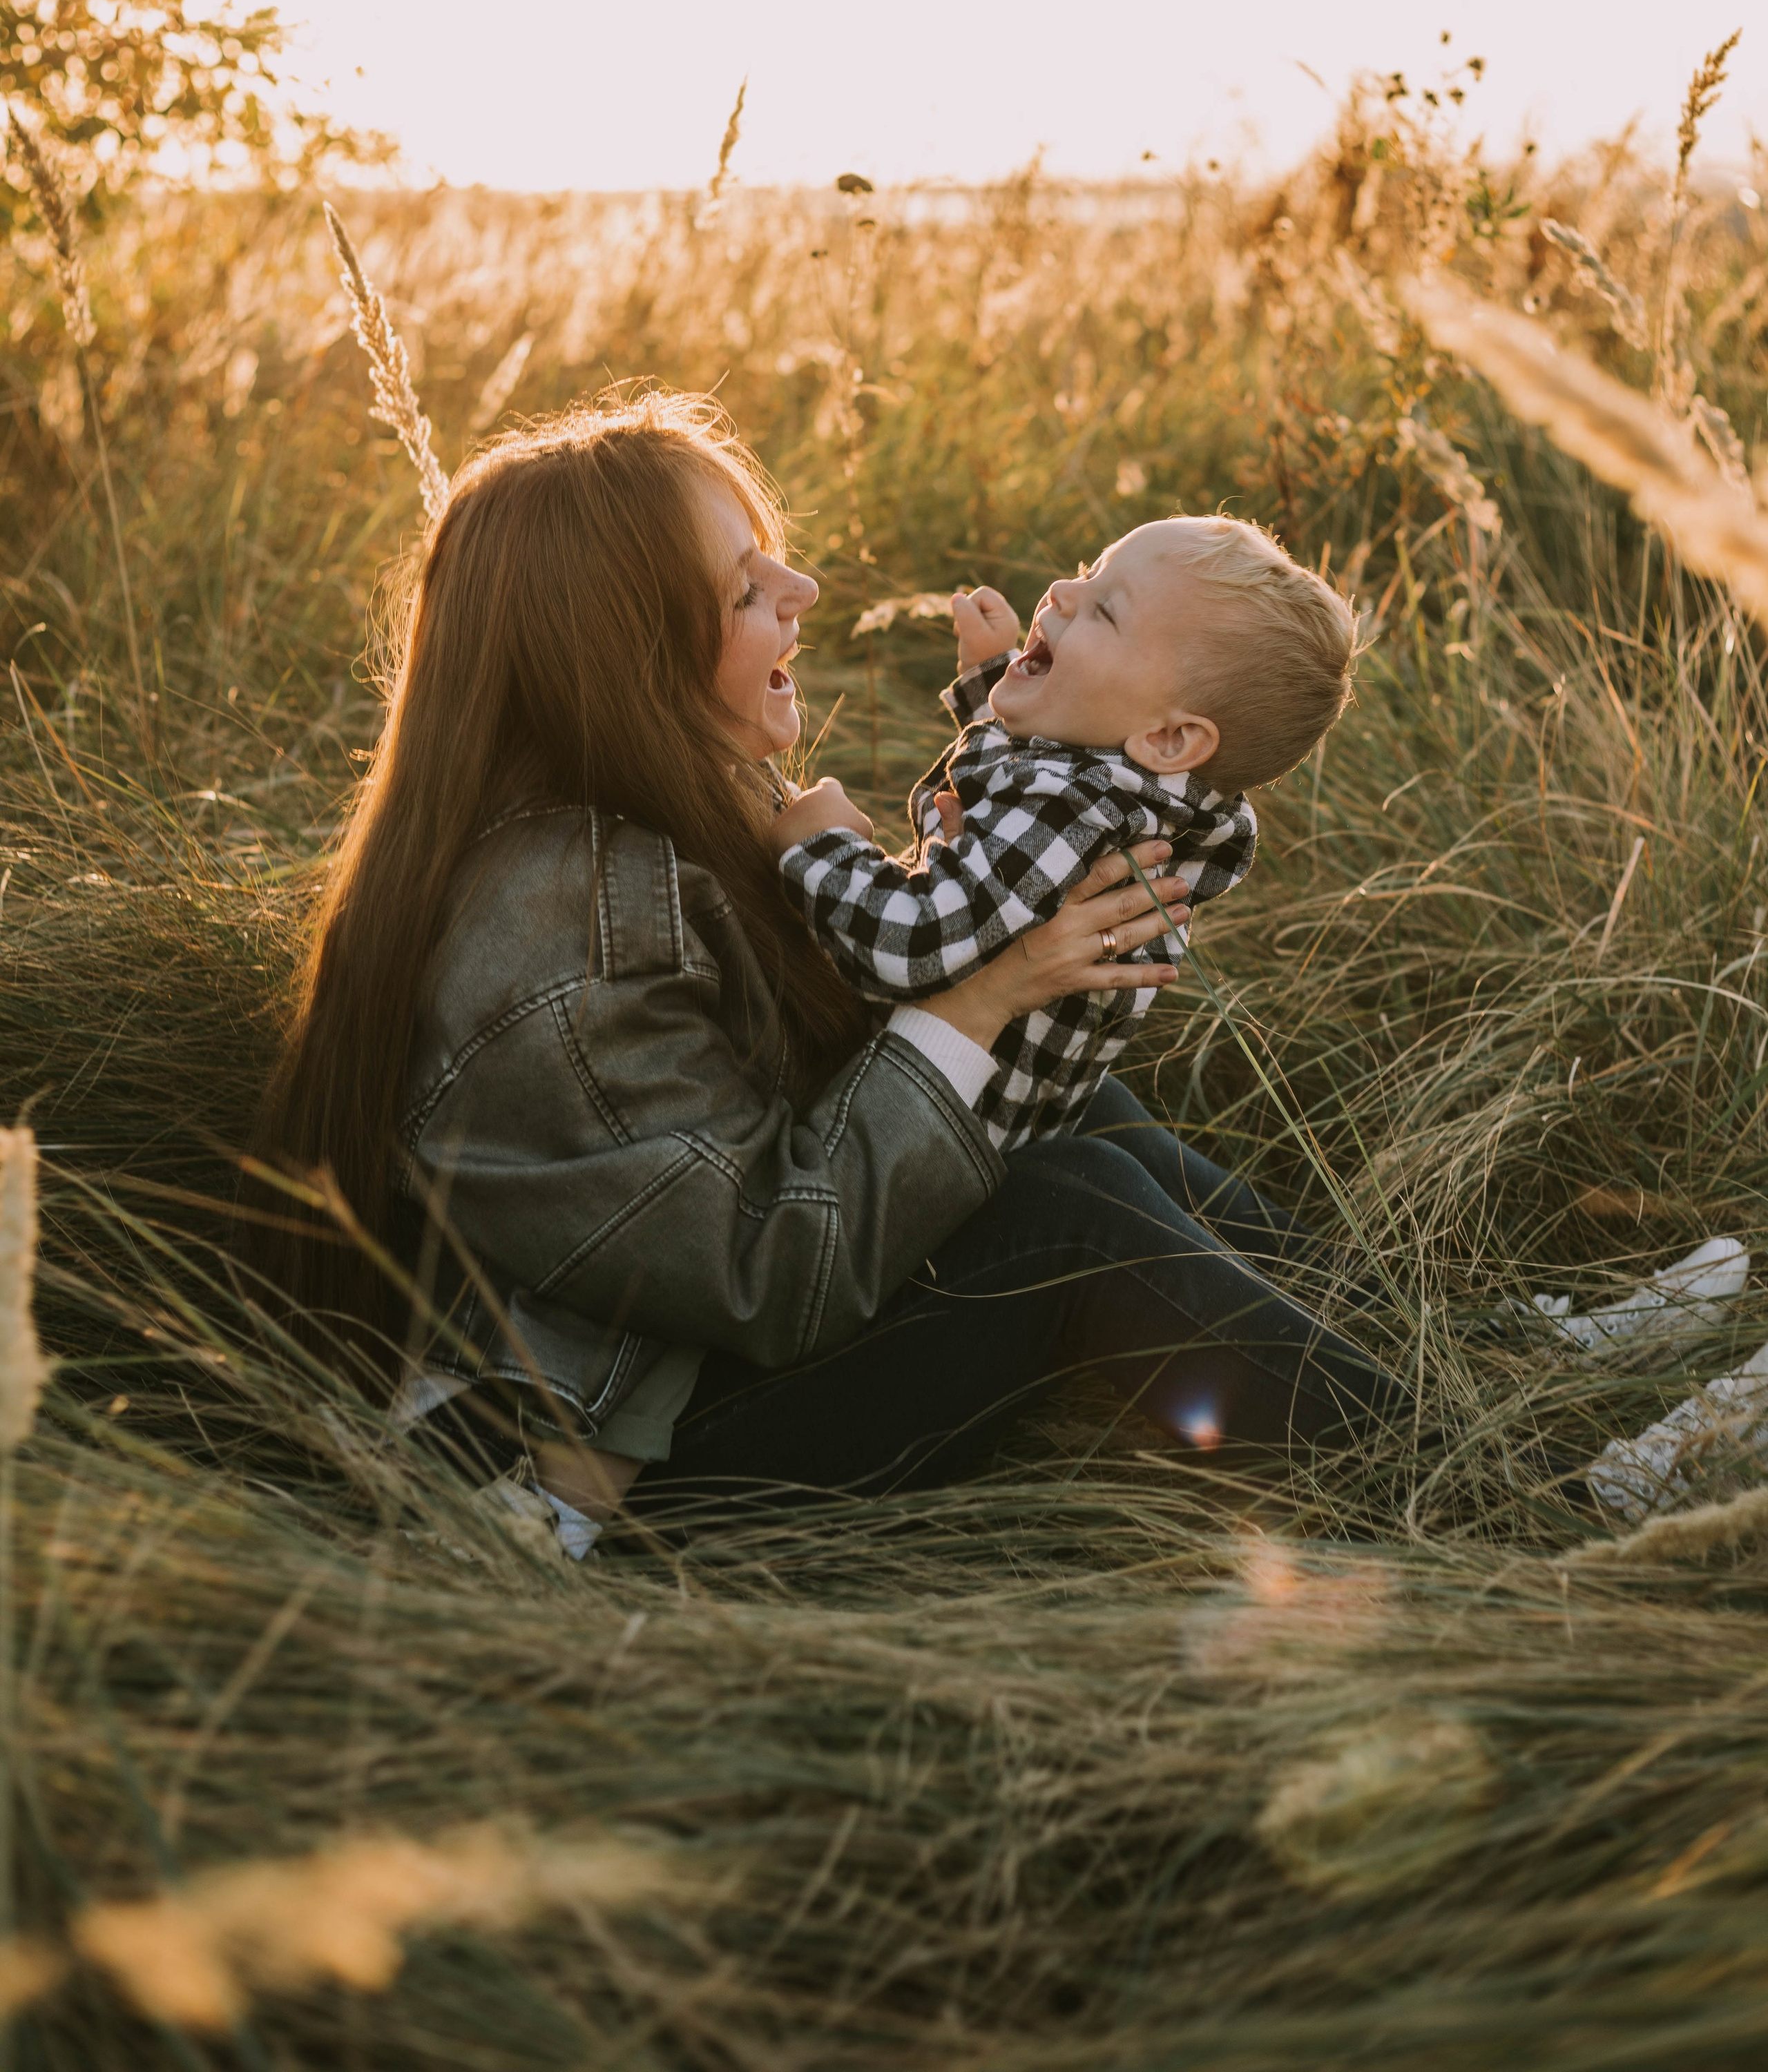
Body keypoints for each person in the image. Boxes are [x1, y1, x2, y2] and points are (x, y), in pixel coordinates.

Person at [252, 391, 1411, 1551]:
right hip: (613, 1459)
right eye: (747, 590)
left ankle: (1440, 1352)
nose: (799, 592)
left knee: (1089, 1126)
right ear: (628, 659)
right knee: (1073, 1213)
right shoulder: (575, 921)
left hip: (690, 1361)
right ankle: (1440, 1468)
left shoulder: (667, 818)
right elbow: (767, 1268)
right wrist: (983, 995)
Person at [771, 516, 1350, 1152]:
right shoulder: (1128, 786)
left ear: (1168, 739)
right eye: (1087, 572)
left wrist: (821, 845)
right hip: (1017, 1120)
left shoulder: (1073, 813)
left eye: (1104, 612)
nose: (1060, 592)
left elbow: (911, 941)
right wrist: (992, 675)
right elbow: (1038, 759)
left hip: (934, 1145)